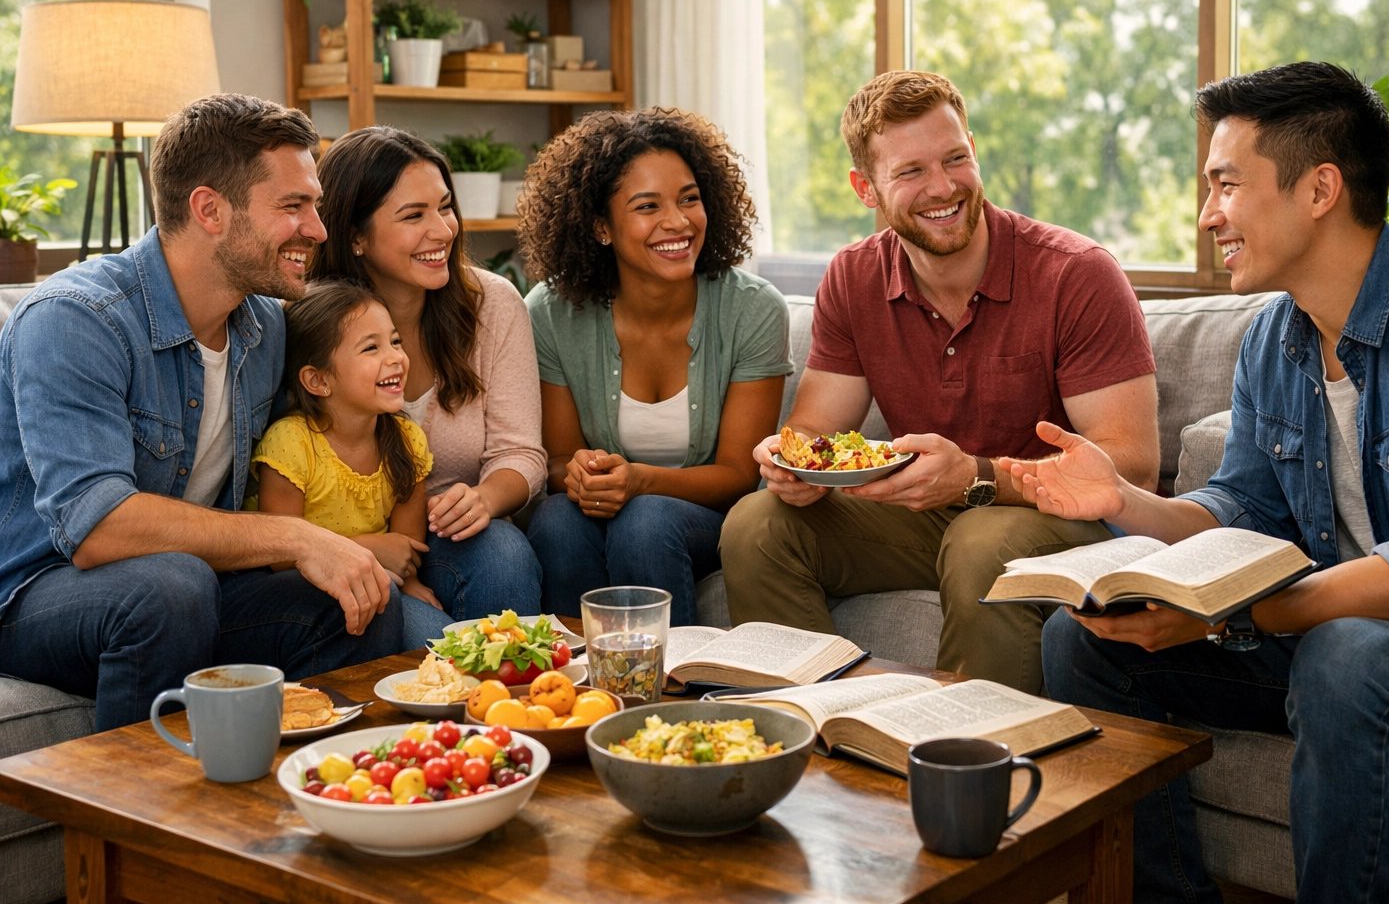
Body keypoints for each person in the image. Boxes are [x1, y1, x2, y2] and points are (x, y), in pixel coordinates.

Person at [1024, 62, 1389, 904]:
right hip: (1341, 636)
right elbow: (1240, 510)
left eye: (1226, 184)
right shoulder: (1277, 338)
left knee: (1350, 657)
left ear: (1320, 189)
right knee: (1084, 642)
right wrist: (1122, 502)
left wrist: (1230, 616)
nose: (1207, 215)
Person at [718, 71, 1159, 694]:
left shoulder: (1077, 275)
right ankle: (820, 743)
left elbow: (1132, 468)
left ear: (974, 150)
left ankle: (979, 770)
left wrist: (977, 476)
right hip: (925, 514)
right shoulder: (853, 277)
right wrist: (790, 461)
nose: (944, 186)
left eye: (956, 159)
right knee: (755, 525)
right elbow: (814, 427)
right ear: (865, 188)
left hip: (1057, 513)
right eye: (911, 172)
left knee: (982, 539)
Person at [0, 93, 404, 731]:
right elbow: (97, 527)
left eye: (316, 205)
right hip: (36, 595)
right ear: (210, 209)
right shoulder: (76, 319)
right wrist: (299, 538)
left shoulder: (263, 327)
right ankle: (137, 825)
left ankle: (321, 800)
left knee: (362, 596)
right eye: (293, 206)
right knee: (170, 588)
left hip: (188, 584)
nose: (319, 230)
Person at [519, 108, 790, 625]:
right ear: (601, 227)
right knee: (556, 519)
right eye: (648, 206)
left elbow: (737, 475)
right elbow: (556, 462)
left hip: (703, 521)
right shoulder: (551, 315)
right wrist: (577, 476)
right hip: (599, 516)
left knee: (644, 520)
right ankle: (571, 696)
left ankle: (671, 695)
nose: (678, 221)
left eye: (689, 198)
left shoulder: (753, 310)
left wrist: (640, 482)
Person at [310, 127, 545, 625]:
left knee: (502, 549)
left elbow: (521, 453)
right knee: (419, 633)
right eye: (414, 216)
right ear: (355, 236)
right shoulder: (307, 322)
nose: (442, 230)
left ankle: (518, 702)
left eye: (444, 207)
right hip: (342, 542)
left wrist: (484, 498)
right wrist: (363, 548)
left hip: (448, 533)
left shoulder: (493, 304)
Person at [250, 281, 444, 646]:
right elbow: (280, 558)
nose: (396, 358)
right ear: (318, 380)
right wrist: (369, 547)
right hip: (304, 589)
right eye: (371, 347)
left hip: (384, 581)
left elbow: (405, 544)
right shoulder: (291, 443)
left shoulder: (406, 439)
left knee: (438, 644)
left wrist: (412, 582)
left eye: (395, 341)